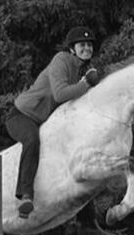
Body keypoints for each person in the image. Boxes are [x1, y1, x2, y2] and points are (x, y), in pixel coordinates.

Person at [6, 26, 100, 218]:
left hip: (45, 121)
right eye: (82, 45)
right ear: (72, 48)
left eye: (90, 45)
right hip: (21, 116)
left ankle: (87, 223)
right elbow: (60, 94)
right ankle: (25, 196)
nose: (87, 49)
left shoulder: (83, 69)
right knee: (32, 139)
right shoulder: (61, 60)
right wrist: (86, 84)